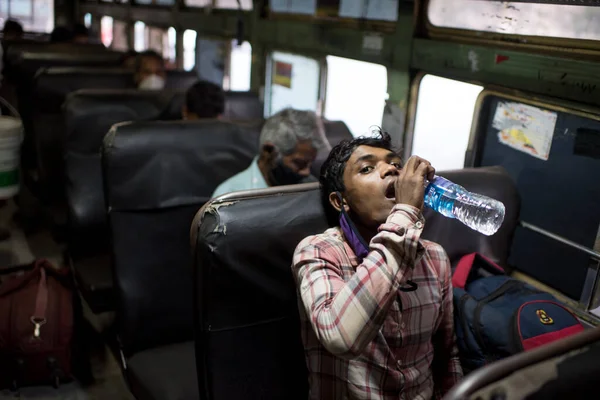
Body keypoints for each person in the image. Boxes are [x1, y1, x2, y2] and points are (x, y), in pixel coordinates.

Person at [292, 130, 463, 399]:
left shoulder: (434, 257)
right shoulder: (319, 251)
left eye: (396, 164)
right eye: (368, 168)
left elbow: (446, 354)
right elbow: (341, 337)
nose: (391, 172)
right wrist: (406, 213)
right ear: (341, 201)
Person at [211, 108, 328, 197]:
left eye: (309, 163)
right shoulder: (230, 196)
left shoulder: (311, 189)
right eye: (299, 163)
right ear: (268, 152)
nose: (306, 172)